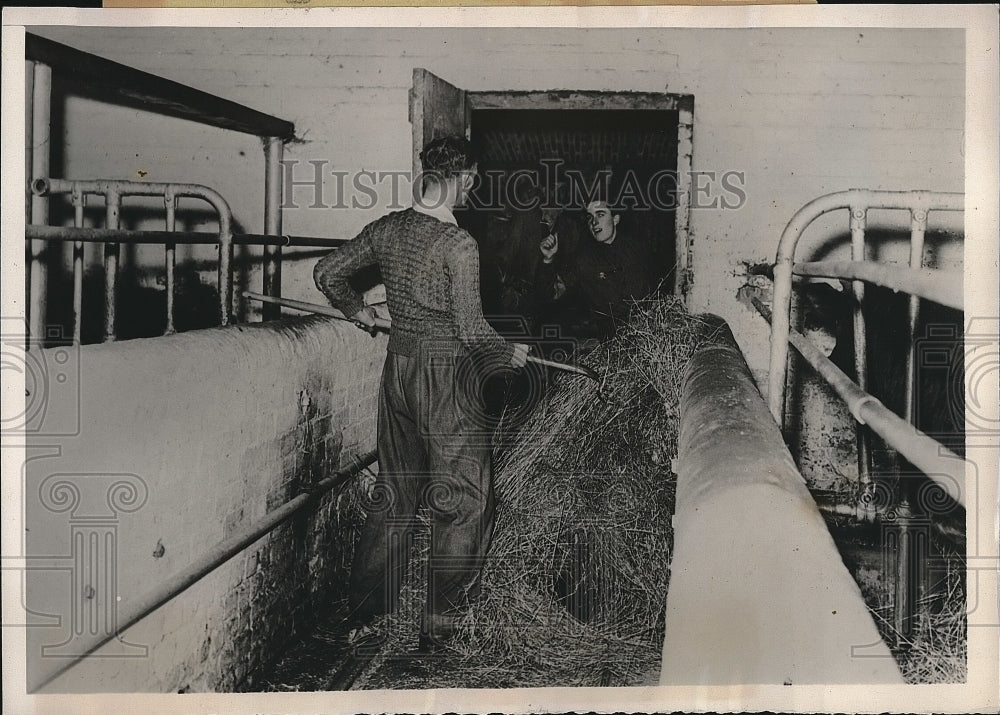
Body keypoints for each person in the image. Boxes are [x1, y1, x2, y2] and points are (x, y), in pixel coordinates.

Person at [313, 136, 530, 651]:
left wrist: (358, 311)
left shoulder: (388, 228)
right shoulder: (459, 245)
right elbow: (474, 333)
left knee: (396, 493)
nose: (473, 188)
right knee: (464, 500)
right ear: (464, 178)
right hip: (446, 373)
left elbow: (327, 273)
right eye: (473, 180)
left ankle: (362, 618)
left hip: (399, 368)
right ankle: (441, 627)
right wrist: (509, 355)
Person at [534, 199, 654, 343]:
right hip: (609, 342)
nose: (594, 222)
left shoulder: (637, 250)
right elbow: (550, 295)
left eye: (600, 214)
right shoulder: (584, 260)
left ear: (616, 219)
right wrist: (548, 260)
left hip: (645, 336)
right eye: (590, 217)